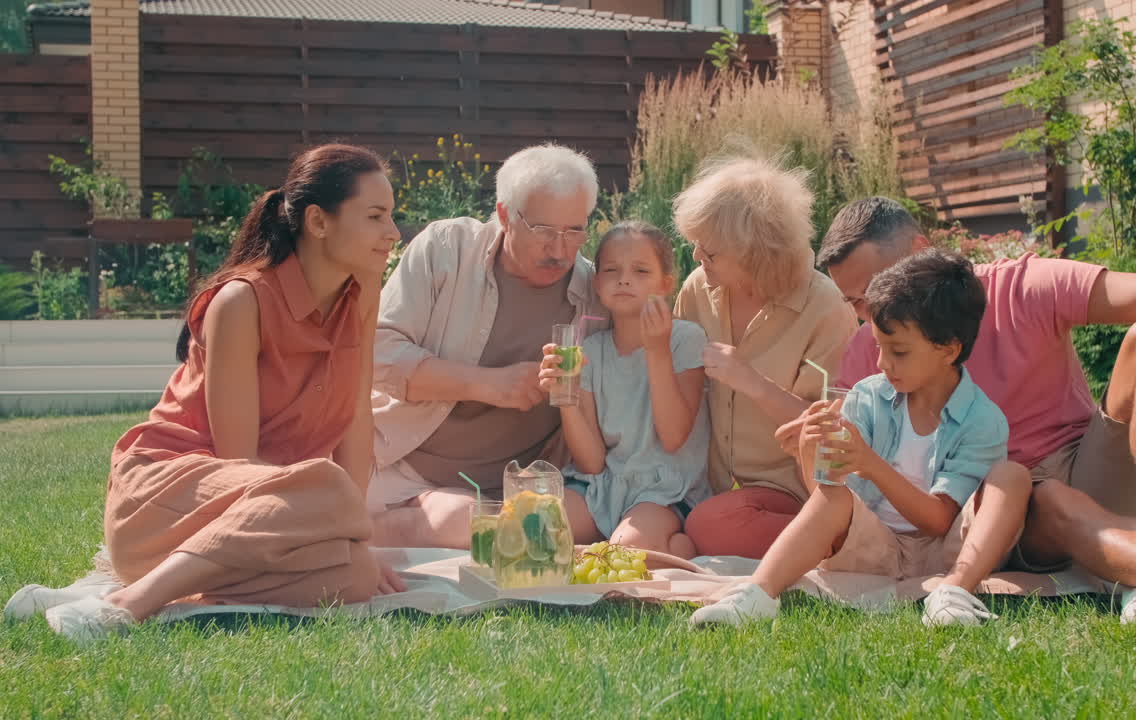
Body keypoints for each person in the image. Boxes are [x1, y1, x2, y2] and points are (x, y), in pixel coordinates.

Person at [779, 196, 1136, 643]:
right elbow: (843, 479)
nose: (870, 313)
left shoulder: (1021, 286)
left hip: (1080, 464)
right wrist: (816, 440)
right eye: (855, 302)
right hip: (983, 508)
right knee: (1047, 497)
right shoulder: (875, 342)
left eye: (874, 288)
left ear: (921, 247)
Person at [4, 144, 407, 642]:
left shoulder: (362, 292)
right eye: (375, 216)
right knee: (330, 488)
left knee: (356, 578)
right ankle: (127, 606)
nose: (393, 233)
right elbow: (236, 460)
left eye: (391, 216)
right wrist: (336, 514)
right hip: (167, 497)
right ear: (318, 222)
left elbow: (355, 417)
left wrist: (352, 538)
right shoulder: (242, 301)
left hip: (277, 514)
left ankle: (106, 595)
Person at [693, 250, 1031, 627]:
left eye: (899, 351)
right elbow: (832, 500)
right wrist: (808, 451)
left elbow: (938, 521)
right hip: (873, 550)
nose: (883, 364)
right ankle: (756, 596)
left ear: (949, 349)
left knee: (1013, 476)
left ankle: (955, 593)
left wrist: (870, 462)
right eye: (879, 347)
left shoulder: (981, 420)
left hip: (952, 552)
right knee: (831, 493)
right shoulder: (869, 397)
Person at [367, 143, 607, 549]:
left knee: (589, 520)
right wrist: (485, 384)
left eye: (575, 230)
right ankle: (388, 525)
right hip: (401, 468)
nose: (560, 250)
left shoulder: (597, 294)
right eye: (544, 231)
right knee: (469, 522)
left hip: (519, 492)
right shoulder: (446, 250)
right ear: (504, 216)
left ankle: (397, 529)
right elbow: (377, 353)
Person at [671, 157, 857, 558]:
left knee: (706, 525)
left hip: (793, 489)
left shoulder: (826, 308)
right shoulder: (697, 288)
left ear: (755, 252)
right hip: (707, 483)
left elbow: (827, 432)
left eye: (711, 251)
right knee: (682, 519)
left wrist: (749, 380)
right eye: (695, 243)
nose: (696, 256)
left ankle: (845, 541)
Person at [538, 221, 712, 558]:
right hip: (602, 485)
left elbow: (674, 436)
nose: (624, 279)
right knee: (534, 534)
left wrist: (657, 349)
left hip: (663, 491)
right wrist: (566, 394)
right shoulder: (589, 350)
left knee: (624, 553)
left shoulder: (685, 340)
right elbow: (590, 463)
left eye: (641, 270)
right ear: (597, 283)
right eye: (612, 270)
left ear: (665, 284)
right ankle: (657, 547)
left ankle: (675, 543)